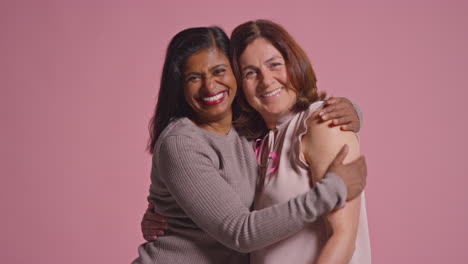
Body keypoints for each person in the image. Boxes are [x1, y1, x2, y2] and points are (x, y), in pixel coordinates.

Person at [133, 26, 366, 264]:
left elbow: (345, 237)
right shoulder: (181, 143)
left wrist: (352, 111)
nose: (210, 87)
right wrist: (330, 191)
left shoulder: (249, 132)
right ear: (179, 86)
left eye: (219, 71)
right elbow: (239, 232)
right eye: (194, 77)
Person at [231, 20, 371, 263]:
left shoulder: (322, 121)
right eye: (250, 73)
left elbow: (344, 238)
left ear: (294, 64)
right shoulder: (253, 143)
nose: (266, 80)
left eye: (275, 64)